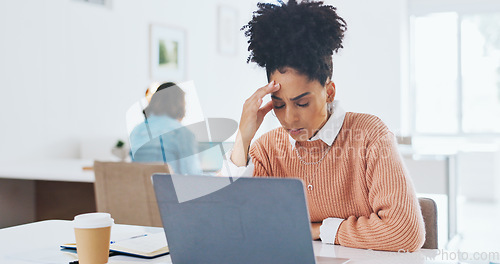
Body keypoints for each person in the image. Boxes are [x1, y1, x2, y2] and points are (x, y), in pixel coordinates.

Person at [223, 0, 425, 252]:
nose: (290, 119)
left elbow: (404, 232)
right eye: (279, 105)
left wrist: (319, 230)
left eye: (302, 103)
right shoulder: (266, 150)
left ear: (329, 92)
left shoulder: (370, 135)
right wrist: (243, 138)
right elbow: (226, 223)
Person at [129, 82, 202, 175]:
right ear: (180, 105)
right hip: (169, 188)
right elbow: (192, 174)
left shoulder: (136, 131)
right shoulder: (182, 133)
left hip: (141, 188)